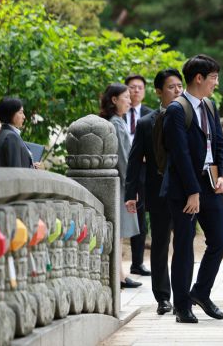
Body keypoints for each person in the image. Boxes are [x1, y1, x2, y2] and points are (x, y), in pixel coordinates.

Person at [160, 54, 223, 324]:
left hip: (210, 184)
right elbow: (180, 154)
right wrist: (192, 191)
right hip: (184, 188)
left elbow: (220, 144)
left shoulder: (210, 106)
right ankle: (181, 306)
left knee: (220, 239)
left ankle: (200, 292)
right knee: (185, 247)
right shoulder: (177, 109)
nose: (216, 82)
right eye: (213, 77)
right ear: (198, 78)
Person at [124, 68, 184, 314]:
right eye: (172, 87)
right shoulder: (146, 122)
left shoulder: (188, 117)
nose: (178, 91)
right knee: (160, 244)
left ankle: (184, 293)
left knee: (183, 243)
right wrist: (130, 193)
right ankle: (163, 296)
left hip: (185, 190)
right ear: (159, 92)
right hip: (158, 190)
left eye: (180, 86)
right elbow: (135, 158)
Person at [99, 83, 142, 289]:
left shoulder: (116, 121)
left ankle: (121, 274)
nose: (129, 100)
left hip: (121, 182)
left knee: (120, 231)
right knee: (119, 230)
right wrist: (131, 186)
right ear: (114, 100)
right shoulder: (116, 124)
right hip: (122, 183)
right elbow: (124, 158)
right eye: (125, 97)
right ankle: (119, 275)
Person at [125, 74, 153, 278]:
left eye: (139, 88)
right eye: (132, 87)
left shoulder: (149, 115)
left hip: (143, 172)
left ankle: (137, 262)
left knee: (140, 214)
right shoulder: (116, 116)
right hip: (121, 169)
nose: (135, 91)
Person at [0, 97, 38, 169]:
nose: (24, 116)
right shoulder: (11, 137)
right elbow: (15, 171)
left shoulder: (2, 132)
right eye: (20, 112)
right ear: (10, 113)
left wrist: (31, 167)